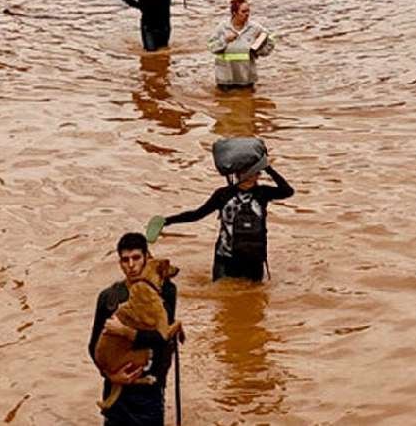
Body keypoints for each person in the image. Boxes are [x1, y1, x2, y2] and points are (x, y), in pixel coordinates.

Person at [88, 233, 178, 426]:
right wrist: (110, 375)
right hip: (116, 385)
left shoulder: (165, 292)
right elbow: (93, 346)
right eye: (125, 260)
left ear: (147, 257)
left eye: (136, 258)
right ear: (119, 263)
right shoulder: (109, 297)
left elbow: (162, 339)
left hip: (150, 388)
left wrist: (126, 332)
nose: (131, 265)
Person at [162, 159, 293, 281]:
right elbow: (197, 214)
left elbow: (288, 191)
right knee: (221, 300)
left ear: (259, 174)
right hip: (225, 258)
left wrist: (268, 168)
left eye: (255, 173)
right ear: (236, 174)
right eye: (246, 173)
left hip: (254, 259)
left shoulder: (263, 193)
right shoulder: (223, 194)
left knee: (255, 300)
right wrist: (167, 221)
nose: (251, 177)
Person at [208, 0, 276, 89]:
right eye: (243, 12)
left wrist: (258, 49)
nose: (247, 14)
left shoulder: (255, 28)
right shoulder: (222, 28)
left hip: (246, 79)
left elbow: (270, 42)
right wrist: (225, 40)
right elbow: (211, 47)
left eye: (248, 11)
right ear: (234, 13)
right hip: (225, 79)